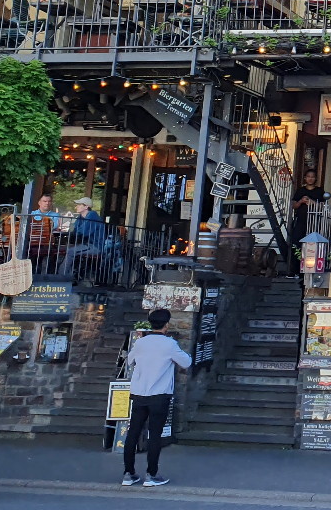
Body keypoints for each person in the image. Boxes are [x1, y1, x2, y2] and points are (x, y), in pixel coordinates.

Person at [121, 308, 192, 488]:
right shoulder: (169, 344)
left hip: (139, 393)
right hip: (159, 394)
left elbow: (129, 361)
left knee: (133, 433)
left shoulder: (141, 342)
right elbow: (186, 362)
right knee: (155, 435)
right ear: (166, 325)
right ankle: (151, 474)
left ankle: (128, 473)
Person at [59, 197, 106, 281]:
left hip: (95, 246)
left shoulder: (92, 215)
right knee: (61, 249)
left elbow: (84, 232)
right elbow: (75, 230)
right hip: (85, 244)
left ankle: (61, 278)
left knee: (70, 251)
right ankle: (70, 276)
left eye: (79, 204)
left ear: (86, 206)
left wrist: (73, 232)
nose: (76, 206)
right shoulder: (80, 217)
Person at [288, 169, 326, 274]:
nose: (310, 178)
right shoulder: (300, 191)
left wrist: (312, 202)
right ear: (305, 178)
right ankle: (295, 270)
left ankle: (311, 269)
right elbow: (294, 206)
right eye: (308, 176)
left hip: (314, 221)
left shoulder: (319, 191)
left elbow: (323, 206)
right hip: (300, 221)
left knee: (313, 244)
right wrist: (301, 201)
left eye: (312, 177)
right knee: (296, 243)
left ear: (315, 178)